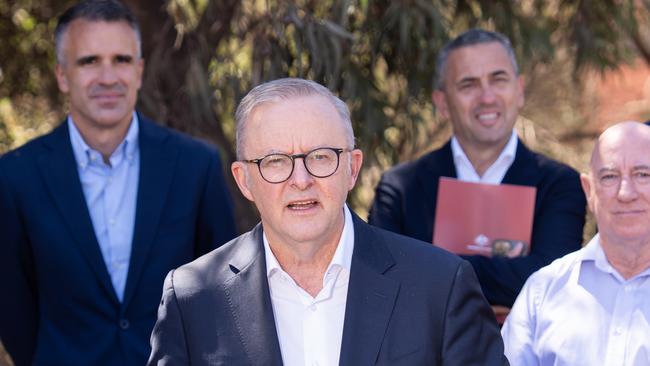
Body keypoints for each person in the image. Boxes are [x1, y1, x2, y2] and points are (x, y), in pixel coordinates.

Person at [147, 78, 507, 365]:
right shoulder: (193, 297)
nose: (301, 179)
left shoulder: (440, 286)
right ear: (244, 180)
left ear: (352, 168)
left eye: (321, 157)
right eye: (275, 161)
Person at [0, 1, 237, 365]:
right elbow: (12, 306)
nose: (108, 77)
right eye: (89, 61)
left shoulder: (195, 165)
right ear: (62, 75)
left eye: (122, 60)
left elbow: (221, 291)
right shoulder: (15, 177)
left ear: (139, 71)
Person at [368, 28, 586, 308]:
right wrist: (510, 274)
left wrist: (430, 267)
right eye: (468, 85)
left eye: (498, 80)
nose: (486, 97)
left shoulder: (560, 185)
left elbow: (551, 283)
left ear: (519, 90)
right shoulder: (400, 190)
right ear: (443, 103)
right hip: (426, 353)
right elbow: (382, 283)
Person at [502, 121, 650, 366]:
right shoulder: (542, 291)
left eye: (643, 175)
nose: (626, 193)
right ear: (589, 190)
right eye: (610, 176)